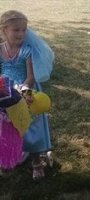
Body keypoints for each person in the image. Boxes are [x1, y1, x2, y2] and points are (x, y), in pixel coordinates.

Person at [0, 10, 54, 180]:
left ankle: (36, 161)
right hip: (4, 91)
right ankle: (12, 152)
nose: (21, 33)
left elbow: (30, 76)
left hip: (25, 89)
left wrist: (24, 90)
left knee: (31, 126)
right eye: (16, 30)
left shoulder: (27, 50)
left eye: (24, 30)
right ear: (4, 30)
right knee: (8, 125)